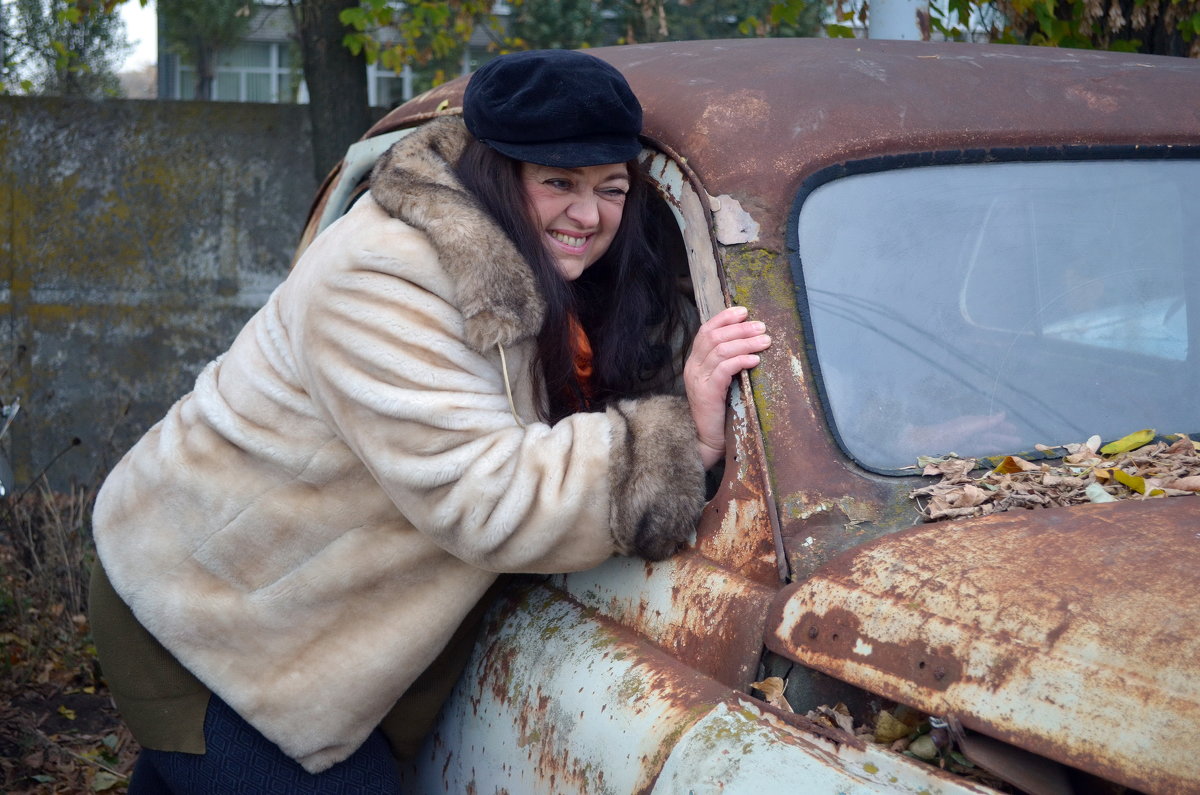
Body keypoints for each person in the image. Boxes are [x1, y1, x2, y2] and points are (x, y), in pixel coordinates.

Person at [89, 49, 770, 792]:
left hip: (291, 613)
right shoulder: (385, 273)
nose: (589, 214)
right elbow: (483, 494)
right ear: (495, 172)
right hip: (210, 619)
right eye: (558, 182)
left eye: (612, 188)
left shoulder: (550, 264)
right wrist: (684, 440)